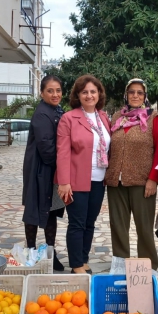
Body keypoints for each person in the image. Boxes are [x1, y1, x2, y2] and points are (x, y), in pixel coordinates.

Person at [105, 78, 158, 270]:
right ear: (126, 95)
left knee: (144, 228)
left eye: (140, 92)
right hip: (116, 182)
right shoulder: (116, 118)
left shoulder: (154, 119)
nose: (136, 96)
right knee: (118, 227)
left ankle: (148, 268)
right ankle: (120, 266)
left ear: (145, 96)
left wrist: (153, 179)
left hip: (142, 182)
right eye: (132, 92)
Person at [56, 74, 111, 274]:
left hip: (98, 179)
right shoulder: (69, 118)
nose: (89, 95)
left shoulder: (103, 117)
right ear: (78, 95)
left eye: (93, 92)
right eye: (84, 92)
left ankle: (84, 259)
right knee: (77, 223)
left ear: (99, 94)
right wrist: (64, 182)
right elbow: (62, 152)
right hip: (76, 180)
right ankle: (76, 265)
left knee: (90, 222)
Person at [22, 75, 66, 272]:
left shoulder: (56, 110)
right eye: (50, 90)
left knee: (50, 211)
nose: (55, 94)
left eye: (58, 90)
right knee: (33, 210)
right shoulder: (42, 114)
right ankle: (31, 251)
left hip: (51, 171)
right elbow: (46, 148)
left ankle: (50, 252)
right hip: (40, 170)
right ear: (42, 92)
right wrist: (62, 163)